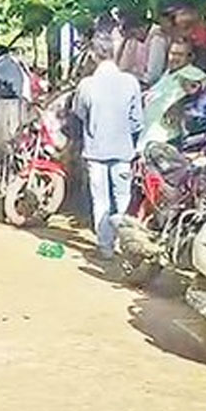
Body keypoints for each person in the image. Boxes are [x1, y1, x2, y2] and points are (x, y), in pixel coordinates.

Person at [72, 35, 144, 260]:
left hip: (95, 150)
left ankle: (105, 247)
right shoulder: (130, 82)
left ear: (93, 55)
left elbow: (79, 114)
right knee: (123, 199)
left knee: (100, 200)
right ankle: (125, 244)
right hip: (123, 150)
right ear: (114, 52)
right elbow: (137, 121)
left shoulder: (86, 85)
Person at [140, 40, 206, 149]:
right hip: (147, 132)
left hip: (165, 137)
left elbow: (202, 87)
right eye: (172, 54)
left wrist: (181, 103)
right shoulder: (169, 73)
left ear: (190, 57)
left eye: (179, 55)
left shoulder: (192, 73)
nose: (174, 58)